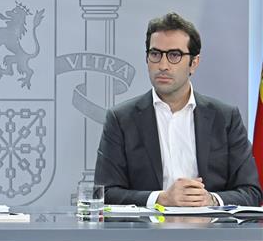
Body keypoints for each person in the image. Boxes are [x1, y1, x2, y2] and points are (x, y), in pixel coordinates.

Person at [94, 12, 261, 206]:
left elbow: (251, 192)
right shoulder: (121, 118)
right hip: (146, 233)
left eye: (174, 55)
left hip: (212, 233)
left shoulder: (225, 118)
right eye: (155, 54)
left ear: (194, 62)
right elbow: (105, 193)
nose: (163, 65)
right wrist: (161, 198)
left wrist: (211, 200)